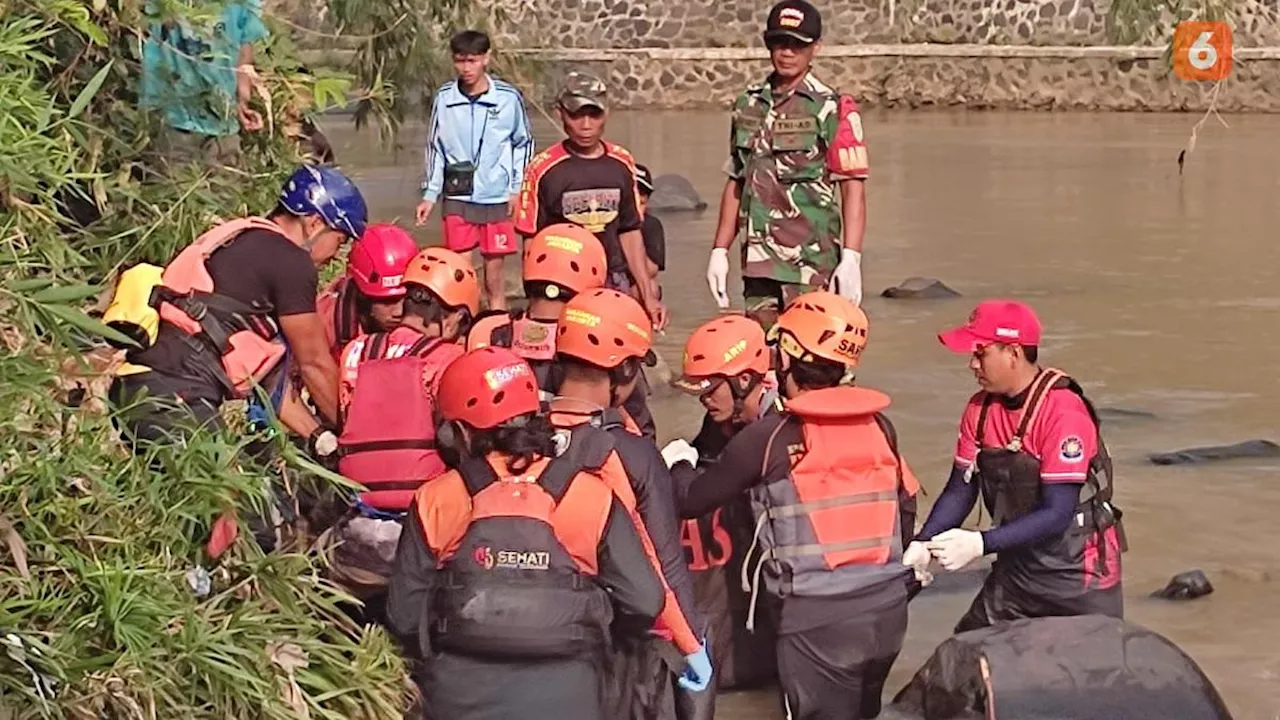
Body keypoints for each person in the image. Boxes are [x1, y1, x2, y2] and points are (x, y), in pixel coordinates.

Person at [671, 291, 921, 720]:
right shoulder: (880, 425)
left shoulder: (770, 437)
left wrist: (678, 462)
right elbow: (906, 509)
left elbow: (691, 499)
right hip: (886, 614)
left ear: (786, 358)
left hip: (817, 622)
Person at [386, 347, 666, 720]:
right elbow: (647, 602)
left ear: (459, 433)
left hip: (457, 698)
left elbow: (403, 617)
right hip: (572, 697)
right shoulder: (587, 493)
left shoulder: (436, 499)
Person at [106, 165, 367, 448]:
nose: (336, 255)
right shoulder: (292, 263)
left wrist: (322, 438)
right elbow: (314, 363)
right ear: (314, 223)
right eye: (340, 240)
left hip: (137, 388)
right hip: (175, 399)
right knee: (220, 490)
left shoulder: (239, 238)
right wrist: (357, 439)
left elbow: (271, 388)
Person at [904, 300, 1124, 633]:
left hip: (1077, 576)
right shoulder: (978, 410)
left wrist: (979, 544)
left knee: (1088, 671)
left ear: (1013, 352)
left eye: (980, 354)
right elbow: (960, 490)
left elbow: (1057, 512)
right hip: (1016, 568)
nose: (972, 365)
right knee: (968, 649)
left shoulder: (1064, 413)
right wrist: (924, 541)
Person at [548, 288, 712, 719]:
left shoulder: (517, 436)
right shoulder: (632, 454)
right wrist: (692, 645)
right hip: (617, 641)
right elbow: (665, 563)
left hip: (538, 634)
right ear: (624, 369)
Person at [323, 248, 480, 603]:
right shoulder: (449, 360)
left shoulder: (356, 351)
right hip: (421, 527)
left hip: (357, 520)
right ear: (452, 317)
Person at [705, 0, 869, 331]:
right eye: (780, 43)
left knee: (813, 361)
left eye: (798, 44)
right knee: (763, 364)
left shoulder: (832, 108)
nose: (788, 52)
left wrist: (852, 257)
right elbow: (737, 180)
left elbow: (852, 188)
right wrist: (719, 249)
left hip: (811, 267)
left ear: (816, 48)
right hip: (758, 267)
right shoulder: (747, 105)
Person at [661, 314, 783, 719]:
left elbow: (694, 496)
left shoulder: (780, 429)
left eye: (711, 389)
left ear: (745, 381)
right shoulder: (720, 425)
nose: (704, 399)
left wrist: (678, 468)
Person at [467, 222, 659, 439]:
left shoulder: (487, 331)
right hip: (577, 461)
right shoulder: (600, 339)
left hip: (497, 461)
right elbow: (641, 433)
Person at [514, 72, 667, 331]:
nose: (585, 125)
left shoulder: (621, 163)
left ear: (606, 113)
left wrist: (648, 297)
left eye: (594, 115)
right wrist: (536, 296)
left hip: (612, 276)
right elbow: (531, 240)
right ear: (560, 113)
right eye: (576, 115)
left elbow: (630, 232)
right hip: (561, 278)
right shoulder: (542, 169)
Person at [415, 30, 532, 312]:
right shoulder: (445, 98)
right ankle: (466, 328)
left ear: (486, 59)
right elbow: (435, 147)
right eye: (461, 61)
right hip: (458, 194)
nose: (467, 68)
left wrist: (516, 189)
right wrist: (430, 194)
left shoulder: (507, 98)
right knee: (461, 272)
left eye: (473, 61)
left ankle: (497, 326)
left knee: (494, 275)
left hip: (495, 195)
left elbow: (523, 142)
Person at [140, 0, 268, 168]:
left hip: (223, 121)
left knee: (226, 186)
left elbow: (244, 49)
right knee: (174, 184)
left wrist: (242, 101)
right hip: (173, 117)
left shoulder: (242, 4)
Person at [635, 164, 666, 293]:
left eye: (642, 202)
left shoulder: (651, 225)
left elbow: (652, 269)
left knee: (651, 287)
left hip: (632, 280)